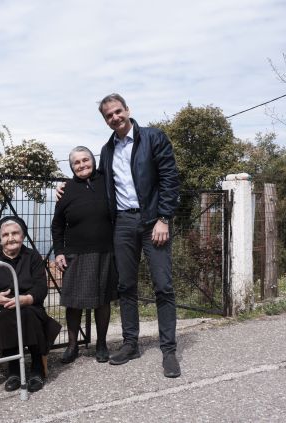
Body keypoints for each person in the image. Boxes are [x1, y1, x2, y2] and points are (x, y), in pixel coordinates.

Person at [97, 93, 181, 378]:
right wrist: (66, 188)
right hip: (122, 223)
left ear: (127, 110)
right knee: (126, 286)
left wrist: (163, 218)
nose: (115, 117)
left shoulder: (153, 138)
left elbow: (170, 178)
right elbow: (100, 184)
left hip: (153, 222)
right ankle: (130, 344)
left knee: (163, 286)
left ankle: (168, 350)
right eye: (109, 115)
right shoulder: (107, 150)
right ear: (105, 120)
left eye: (117, 111)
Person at [0, 216, 62, 392]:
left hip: (27, 304)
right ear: (0, 238)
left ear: (23, 236)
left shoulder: (32, 257)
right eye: (5, 235)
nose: (10, 238)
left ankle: (37, 367)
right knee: (6, 316)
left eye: (15, 233)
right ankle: (13, 370)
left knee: (29, 314)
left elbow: (41, 287)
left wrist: (26, 299)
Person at [51, 146, 117, 364]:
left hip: (105, 251)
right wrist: (59, 252)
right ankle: (72, 346)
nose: (82, 165)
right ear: (71, 167)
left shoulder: (107, 181)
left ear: (93, 161)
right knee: (74, 302)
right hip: (75, 254)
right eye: (76, 162)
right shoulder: (66, 190)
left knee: (102, 301)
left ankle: (101, 344)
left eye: (85, 160)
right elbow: (57, 225)